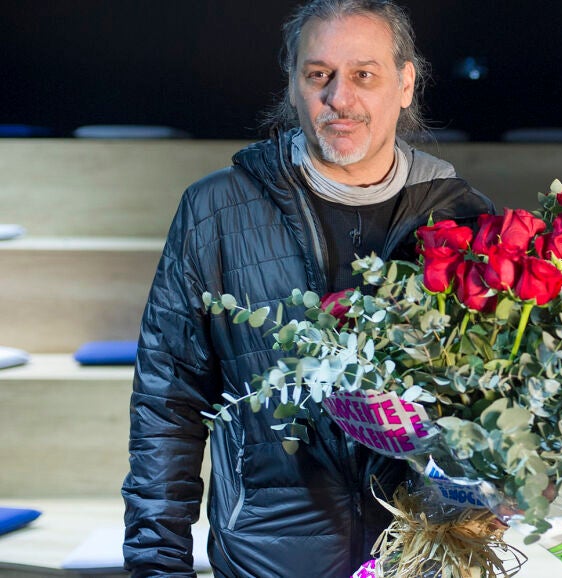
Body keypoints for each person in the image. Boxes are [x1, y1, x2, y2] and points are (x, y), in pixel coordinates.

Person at [121, 1, 493, 576]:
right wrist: (157, 567)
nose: (339, 98)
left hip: (422, 557)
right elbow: (167, 405)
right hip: (265, 557)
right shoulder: (216, 210)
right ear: (293, 84)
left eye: (364, 75)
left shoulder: (466, 221)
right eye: (319, 74)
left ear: (405, 84)